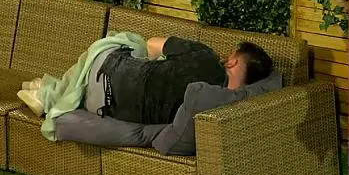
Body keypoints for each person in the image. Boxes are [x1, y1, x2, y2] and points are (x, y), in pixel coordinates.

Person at [18, 35, 274, 126]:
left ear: (233, 61)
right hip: (109, 110)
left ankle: (50, 93)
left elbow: (151, 44)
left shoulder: (205, 56)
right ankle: (51, 90)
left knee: (127, 40)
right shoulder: (223, 108)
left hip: (108, 74)